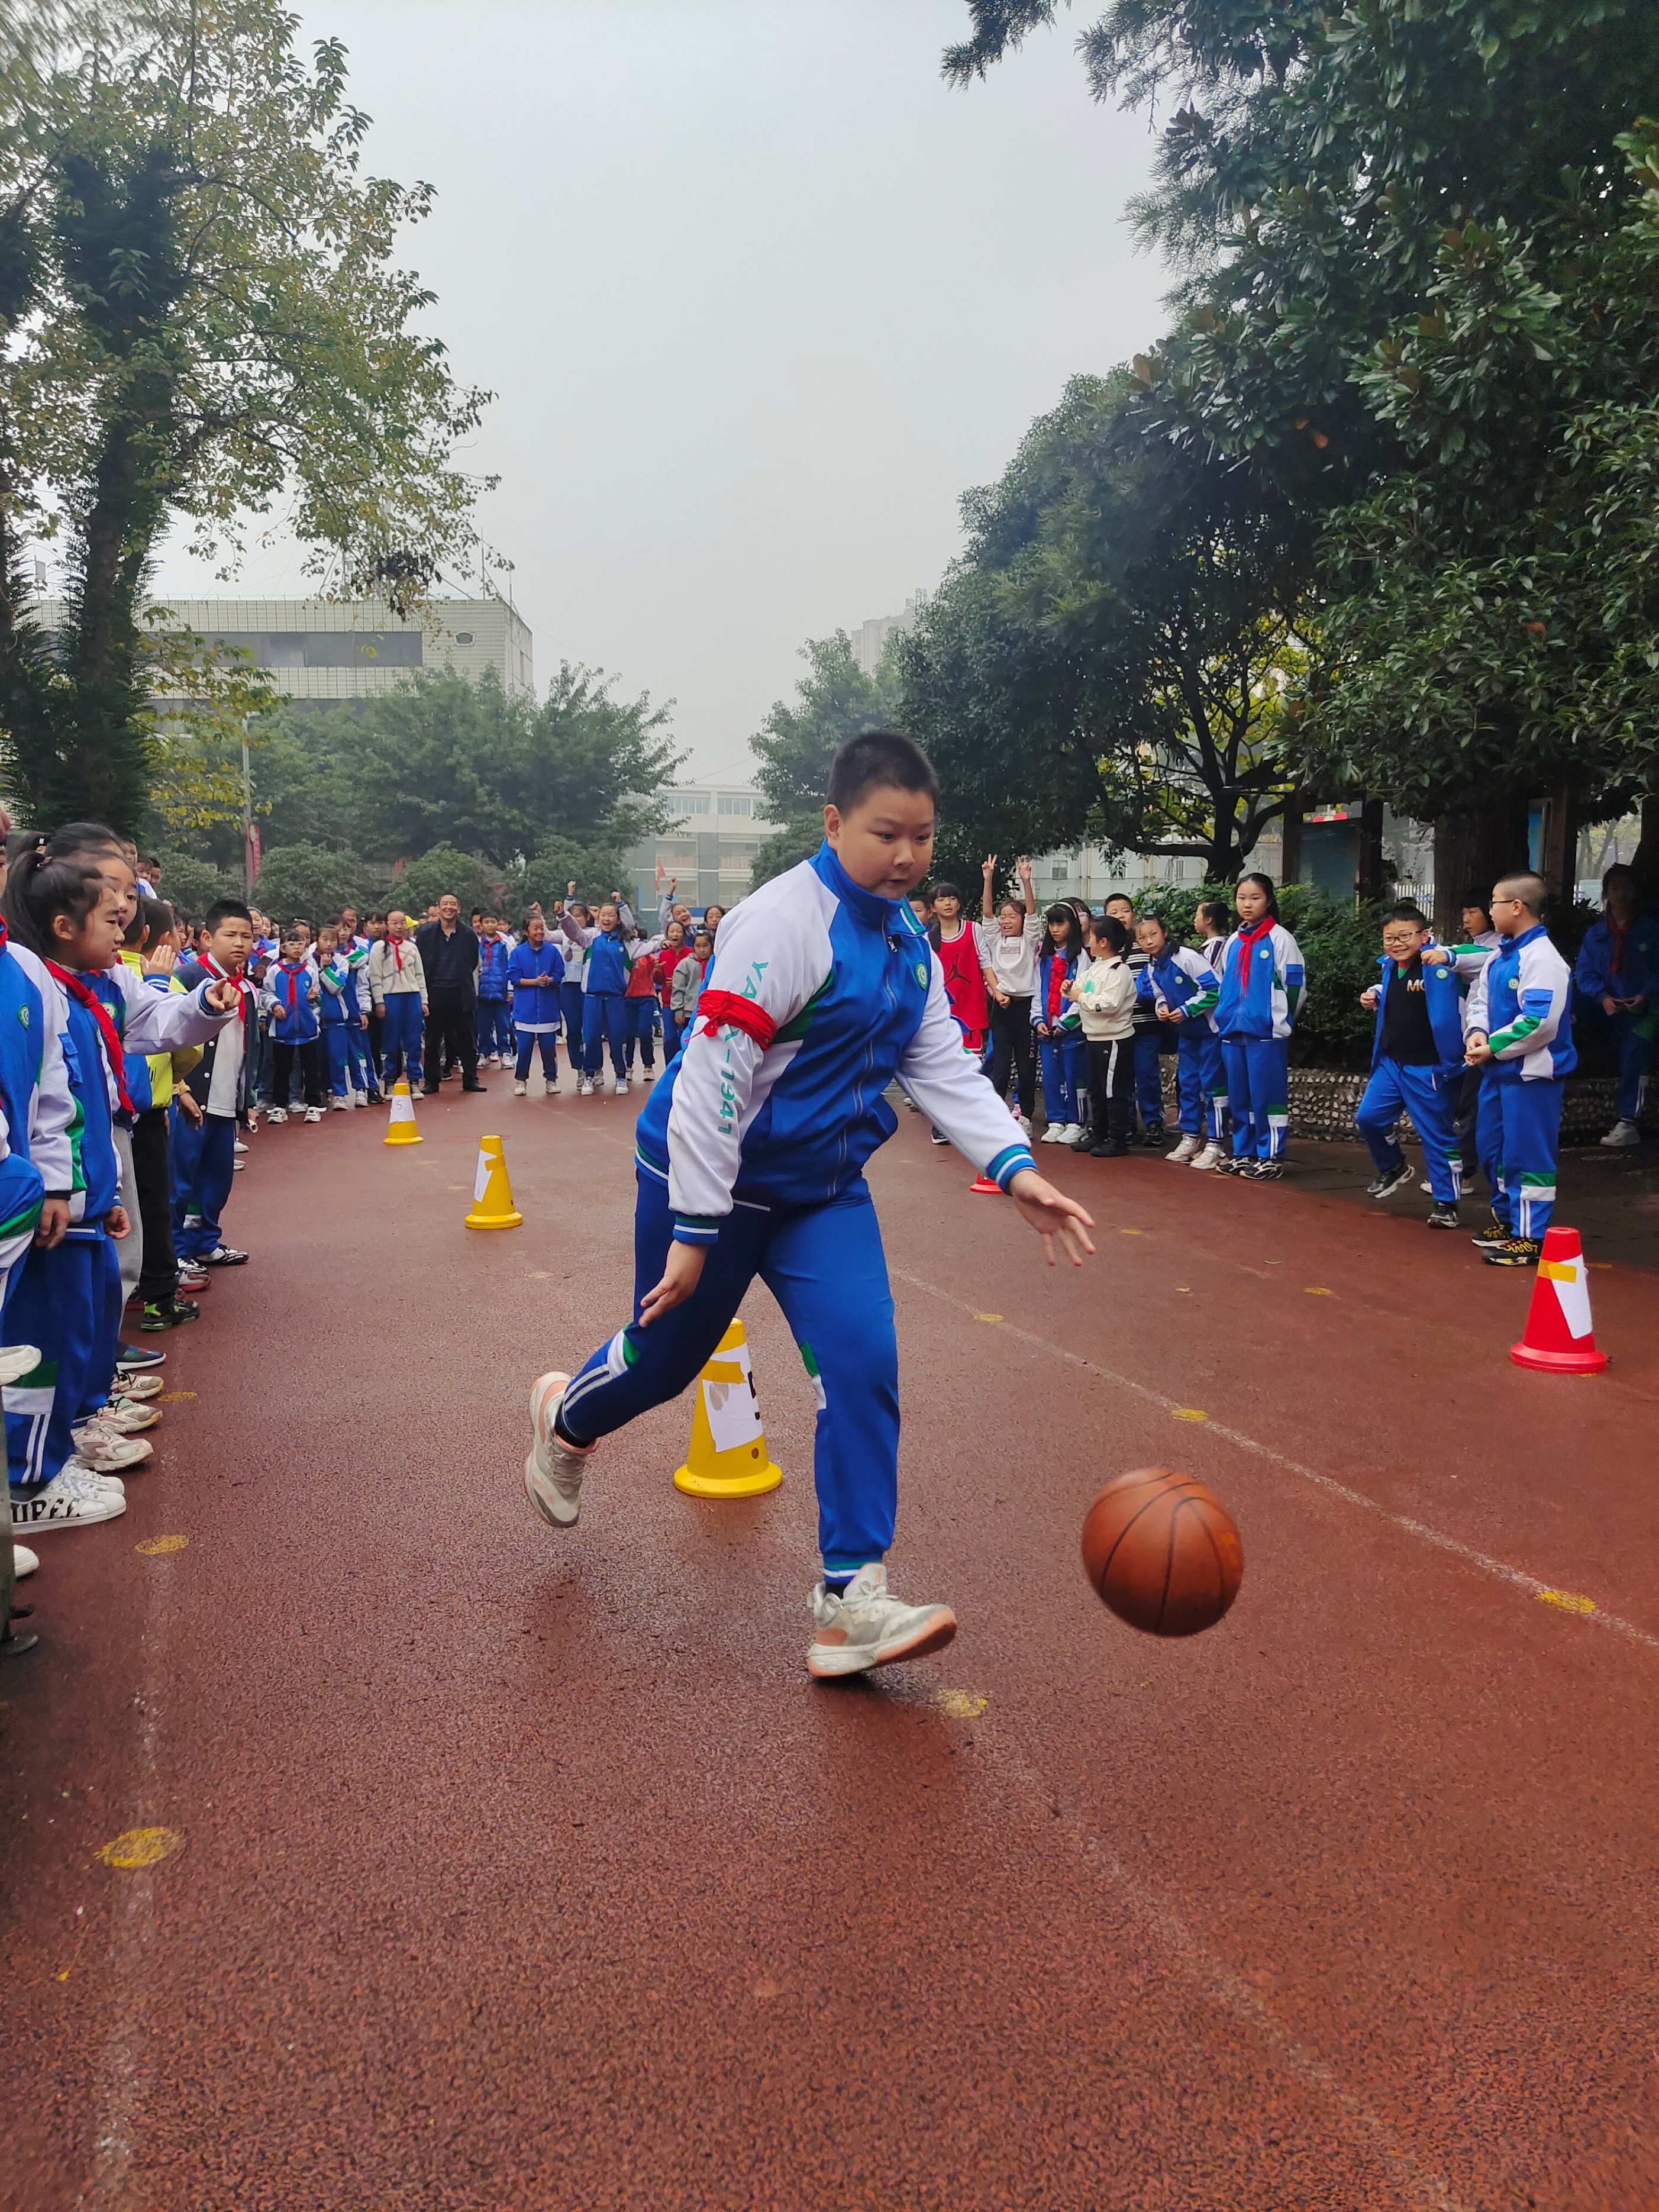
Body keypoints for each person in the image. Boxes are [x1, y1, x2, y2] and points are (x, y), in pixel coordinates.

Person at [522, 730, 1095, 1680]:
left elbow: (939, 1057)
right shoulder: (781, 924)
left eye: (923, 837)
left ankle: (848, 1598)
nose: (908, 856)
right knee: (664, 1363)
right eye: (886, 835)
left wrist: (1015, 1164)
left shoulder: (906, 932)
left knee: (864, 1361)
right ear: (834, 823)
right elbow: (714, 1080)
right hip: (709, 1175)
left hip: (823, 1191)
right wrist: (697, 1233)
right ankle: (564, 1419)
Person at [1464, 872, 1574, 1265]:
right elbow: (1480, 999)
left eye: (1494, 901)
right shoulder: (1501, 954)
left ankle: (1532, 1237)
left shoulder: (1543, 959)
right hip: (1499, 1073)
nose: (1488, 910)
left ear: (1516, 907)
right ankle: (1509, 1220)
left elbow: (1539, 1023)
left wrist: (1491, 1047)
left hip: (1531, 1077)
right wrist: (1477, 1032)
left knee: (1528, 1156)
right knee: (1493, 1150)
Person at [1355, 904, 1468, 1228]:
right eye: (1390, 938)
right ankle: (1393, 1166)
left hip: (1429, 1067)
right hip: (1391, 1062)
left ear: (1425, 935)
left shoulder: (1439, 964)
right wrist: (1375, 994)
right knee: (1369, 1118)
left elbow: (1480, 957)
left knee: (1437, 1135)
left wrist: (1446, 955)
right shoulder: (1390, 967)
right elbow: (1395, 992)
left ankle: (1447, 1202)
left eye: (1405, 936)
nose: (1397, 943)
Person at [172, 899, 259, 1271]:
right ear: (207, 937)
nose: (240, 943)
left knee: (216, 1177)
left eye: (247, 936)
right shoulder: (190, 978)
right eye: (231, 934)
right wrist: (180, 1089)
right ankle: (174, 1250)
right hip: (192, 1098)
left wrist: (247, 1096)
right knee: (180, 1178)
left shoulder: (248, 989)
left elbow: (249, 1047)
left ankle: (205, 1241)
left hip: (226, 1098)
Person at [1211, 873, 1305, 1181]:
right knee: (1240, 1095)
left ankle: (1270, 1155)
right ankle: (1244, 1151)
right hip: (1233, 1032)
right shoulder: (1233, 943)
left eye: (1255, 898)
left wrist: (1281, 1021)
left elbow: (1295, 984)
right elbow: (1221, 982)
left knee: (1267, 1095)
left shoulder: (1280, 938)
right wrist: (1223, 1018)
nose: (1247, 904)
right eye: (1242, 898)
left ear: (1268, 901)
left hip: (1266, 1033)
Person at [1573, 863, 1655, 1150]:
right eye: (1614, 888)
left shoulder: (1650, 929)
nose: (1620, 894)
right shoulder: (1596, 934)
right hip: (1607, 1005)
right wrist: (1602, 998)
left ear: (1635, 893)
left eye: (1626, 888)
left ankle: (1628, 1122)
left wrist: (1646, 995)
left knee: (1635, 1047)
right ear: (1606, 893)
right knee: (1570, 1001)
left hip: (1644, 1008)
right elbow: (1584, 973)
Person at [1139, 913, 1227, 1168]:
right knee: (1188, 1085)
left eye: (1153, 934)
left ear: (1164, 933)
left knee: (1213, 1087)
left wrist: (1187, 1009)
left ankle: (1217, 1143)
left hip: (1211, 1031)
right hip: (1186, 1035)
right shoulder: (1152, 968)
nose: (1149, 941)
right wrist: (1162, 1008)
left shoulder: (1187, 958)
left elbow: (1215, 990)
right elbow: (1159, 996)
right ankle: (1191, 1137)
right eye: (1142, 937)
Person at [976, 854, 1040, 1130]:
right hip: (1001, 1008)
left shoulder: (1029, 939)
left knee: (1026, 1068)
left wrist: (1026, 880)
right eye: (1003, 917)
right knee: (1000, 1066)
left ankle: (1024, 1114)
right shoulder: (995, 940)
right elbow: (987, 914)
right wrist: (988, 879)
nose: (1005, 921)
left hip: (1026, 1008)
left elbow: (1033, 914)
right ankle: (995, 1113)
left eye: (1012, 916)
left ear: (1022, 920)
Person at [1069, 914, 1138, 1157]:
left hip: (1114, 1038)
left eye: (1092, 937)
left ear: (1105, 942)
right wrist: (1071, 991)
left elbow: (1108, 1004)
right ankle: (1098, 1133)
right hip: (1094, 1037)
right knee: (1095, 1089)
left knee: (1112, 1090)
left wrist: (1080, 997)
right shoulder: (1095, 967)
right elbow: (1081, 990)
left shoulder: (1119, 971)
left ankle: (1116, 1138)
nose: (1089, 940)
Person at [557, 894, 631, 1097]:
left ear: (617, 919)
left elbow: (643, 940)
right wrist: (563, 915)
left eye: (611, 915)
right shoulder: (591, 937)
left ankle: (620, 1076)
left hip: (616, 998)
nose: (607, 919)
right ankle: (589, 1075)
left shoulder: (626, 942)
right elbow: (573, 931)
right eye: (603, 915)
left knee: (617, 1038)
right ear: (598, 918)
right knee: (590, 1037)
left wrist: (663, 944)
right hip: (592, 997)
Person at [415, 894, 486, 1094]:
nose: (449, 908)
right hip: (434, 992)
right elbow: (420, 962)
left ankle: (471, 1079)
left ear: (459, 909)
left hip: (460, 991)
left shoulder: (468, 934)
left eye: (453, 904)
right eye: (445, 904)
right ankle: (431, 1081)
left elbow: (472, 961)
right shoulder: (426, 934)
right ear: (438, 909)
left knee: (467, 1039)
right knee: (432, 1039)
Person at [1032, 904, 1088, 1147]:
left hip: (1070, 1029)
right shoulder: (1043, 958)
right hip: (1047, 1027)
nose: (1055, 929)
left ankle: (1077, 1122)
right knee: (1051, 1076)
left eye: (1060, 924)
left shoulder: (1081, 957)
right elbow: (1036, 991)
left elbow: (1084, 992)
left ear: (1072, 926)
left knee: (1075, 1075)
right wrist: (1037, 1021)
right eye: (1052, 924)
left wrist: (1066, 1024)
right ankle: (1056, 1120)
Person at [263, 930, 324, 1124]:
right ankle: (280, 1106)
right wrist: (274, 1005)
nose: (297, 947)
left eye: (300, 944)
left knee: (311, 1069)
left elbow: (318, 999)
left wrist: (312, 1001)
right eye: (292, 944)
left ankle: (313, 1105)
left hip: (307, 1030)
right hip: (283, 1029)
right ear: (283, 948)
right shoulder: (275, 971)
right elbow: (265, 994)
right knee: (282, 1069)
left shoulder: (310, 971)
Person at [370, 911, 428, 1094]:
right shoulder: (378, 948)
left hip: (412, 997)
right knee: (391, 1041)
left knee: (414, 1041)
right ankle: (389, 1080)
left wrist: (424, 1000)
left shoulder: (412, 948)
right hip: (390, 997)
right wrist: (379, 1001)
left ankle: (414, 1080)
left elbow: (420, 975)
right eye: (394, 923)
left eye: (402, 923)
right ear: (387, 925)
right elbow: (375, 976)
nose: (399, 926)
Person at [508, 916, 565, 1095]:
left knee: (548, 1048)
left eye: (542, 928)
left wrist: (550, 980)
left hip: (548, 1008)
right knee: (524, 1048)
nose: (540, 932)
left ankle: (551, 1079)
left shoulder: (553, 952)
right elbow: (514, 978)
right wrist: (534, 981)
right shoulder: (518, 953)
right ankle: (521, 1080)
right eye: (535, 929)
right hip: (525, 1009)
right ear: (527, 932)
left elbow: (559, 974)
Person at [623, 923, 660, 1081]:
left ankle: (648, 1066)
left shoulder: (646, 951)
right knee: (629, 1033)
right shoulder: (622, 951)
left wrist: (658, 970)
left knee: (645, 1032)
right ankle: (628, 1066)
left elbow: (656, 976)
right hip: (627, 997)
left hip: (646, 996)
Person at [475, 915, 514, 1069]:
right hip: (482, 992)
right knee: (483, 1026)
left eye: (493, 922)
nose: (490, 925)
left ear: (498, 924)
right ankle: (484, 1053)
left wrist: (511, 989)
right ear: (481, 925)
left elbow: (512, 968)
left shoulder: (506, 944)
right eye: (486, 922)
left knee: (503, 1025)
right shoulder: (476, 945)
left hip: (501, 991)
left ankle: (505, 1053)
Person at [668, 926, 712, 1049]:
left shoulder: (715, 963)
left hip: (710, 1010)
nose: (702, 950)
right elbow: (678, 988)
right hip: (690, 1010)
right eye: (698, 946)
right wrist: (678, 1010)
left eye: (706, 946)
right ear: (693, 947)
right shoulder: (685, 964)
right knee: (690, 1042)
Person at [654, 920, 693, 1060]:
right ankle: (669, 1069)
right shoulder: (663, 955)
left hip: (688, 1002)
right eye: (672, 931)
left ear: (683, 934)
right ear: (667, 934)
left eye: (679, 931)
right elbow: (659, 981)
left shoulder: (691, 953)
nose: (675, 934)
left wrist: (679, 983)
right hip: (668, 1002)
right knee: (670, 1038)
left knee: (685, 1037)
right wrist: (657, 971)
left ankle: (685, 1068)